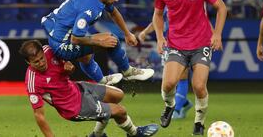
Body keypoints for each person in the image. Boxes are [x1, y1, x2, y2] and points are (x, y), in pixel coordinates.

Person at [152, 0, 227, 135]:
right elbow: (157, 15)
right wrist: (160, 37)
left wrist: (217, 34)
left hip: (201, 44)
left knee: (199, 86)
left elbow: (222, 8)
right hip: (176, 44)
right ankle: (170, 106)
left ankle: (199, 123)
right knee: (168, 85)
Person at [20, 40, 159, 137]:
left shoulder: (49, 50)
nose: (41, 63)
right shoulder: (33, 82)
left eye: (41, 58)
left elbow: (67, 67)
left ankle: (97, 134)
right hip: (74, 107)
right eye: (36, 62)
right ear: (28, 62)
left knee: (118, 95)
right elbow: (39, 115)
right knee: (120, 111)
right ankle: (134, 133)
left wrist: (69, 68)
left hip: (78, 88)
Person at [41, 0, 154, 85]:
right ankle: (128, 72)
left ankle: (102, 81)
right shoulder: (90, 9)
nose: (117, 0)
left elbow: (113, 12)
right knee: (111, 39)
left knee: (86, 56)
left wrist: (127, 33)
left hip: (58, 36)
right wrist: (99, 41)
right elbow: (75, 39)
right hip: (62, 46)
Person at [138, 0, 193, 120]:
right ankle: (185, 102)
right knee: (171, 80)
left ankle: (176, 109)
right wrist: (145, 32)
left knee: (182, 76)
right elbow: (158, 19)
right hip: (168, 43)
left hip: (184, 42)